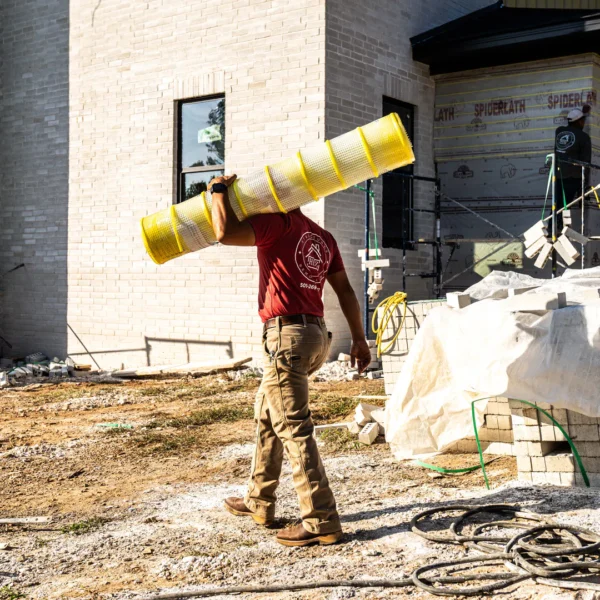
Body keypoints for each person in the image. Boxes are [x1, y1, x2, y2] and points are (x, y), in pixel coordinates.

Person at [209, 173, 371, 547]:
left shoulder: (276, 224)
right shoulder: (321, 236)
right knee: (268, 415)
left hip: (285, 337)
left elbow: (224, 232)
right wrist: (359, 339)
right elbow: (344, 290)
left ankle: (320, 520)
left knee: (294, 427)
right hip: (315, 335)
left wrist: (218, 192)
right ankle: (258, 500)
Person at [553, 107, 592, 233]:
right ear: (579, 122)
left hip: (558, 175)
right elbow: (586, 163)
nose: (583, 123)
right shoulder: (584, 137)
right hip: (573, 176)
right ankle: (560, 229)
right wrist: (584, 186)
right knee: (565, 205)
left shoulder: (559, 131)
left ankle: (552, 228)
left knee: (558, 204)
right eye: (582, 121)